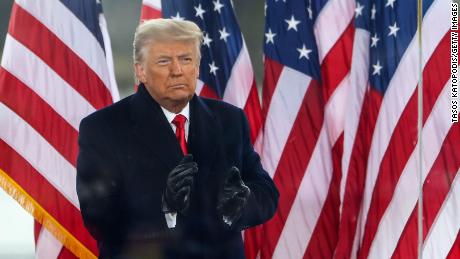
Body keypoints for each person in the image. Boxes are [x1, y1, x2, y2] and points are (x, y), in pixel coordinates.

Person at [76, 18, 279, 259]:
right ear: (140, 71)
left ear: (197, 66)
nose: (177, 70)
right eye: (164, 61)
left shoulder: (230, 120)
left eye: (186, 59)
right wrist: (163, 205)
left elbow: (266, 192)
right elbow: (98, 218)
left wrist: (243, 203)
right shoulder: (103, 128)